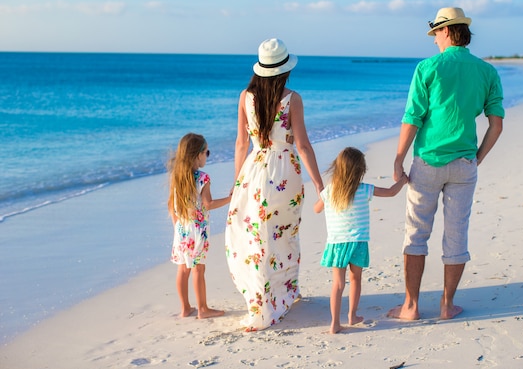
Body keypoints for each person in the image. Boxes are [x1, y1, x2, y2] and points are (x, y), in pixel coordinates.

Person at [388, 7, 505, 321]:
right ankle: (446, 305)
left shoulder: (428, 68)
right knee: (456, 236)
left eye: (436, 32)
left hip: (427, 162)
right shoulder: (487, 72)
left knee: (416, 234)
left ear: (449, 30)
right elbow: (496, 125)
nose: (434, 39)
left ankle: (410, 306)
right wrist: (476, 158)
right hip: (464, 163)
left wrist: (399, 158)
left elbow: (413, 118)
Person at [225, 38, 324, 331]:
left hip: (254, 171)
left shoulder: (245, 96)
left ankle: (262, 299)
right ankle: (284, 292)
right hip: (285, 172)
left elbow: (242, 143)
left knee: (255, 236)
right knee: (283, 234)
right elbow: (303, 146)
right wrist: (319, 183)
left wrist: (236, 183)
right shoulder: (292, 98)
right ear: (284, 69)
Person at [314, 147, 408, 334]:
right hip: (358, 242)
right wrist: (403, 181)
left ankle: (334, 323)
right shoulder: (364, 189)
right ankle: (352, 315)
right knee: (355, 278)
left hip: (336, 243)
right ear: (360, 170)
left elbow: (317, 209)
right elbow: (390, 192)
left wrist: (322, 194)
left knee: (338, 284)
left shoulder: (330, 192)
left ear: (337, 168)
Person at [168, 132, 231, 319]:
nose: (207, 156)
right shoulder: (202, 178)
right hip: (197, 231)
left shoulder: (177, 177)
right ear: (198, 155)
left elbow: (172, 206)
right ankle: (202, 309)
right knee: (199, 269)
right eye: (207, 152)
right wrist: (230, 198)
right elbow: (208, 204)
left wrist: (177, 228)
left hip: (181, 229)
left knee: (183, 269)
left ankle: (185, 308)